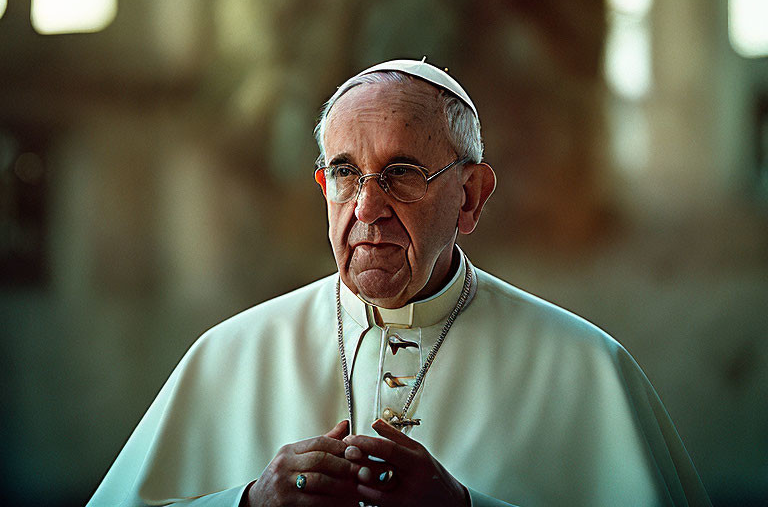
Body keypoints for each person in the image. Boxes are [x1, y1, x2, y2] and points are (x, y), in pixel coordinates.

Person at [87, 58, 711, 507]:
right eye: (344, 173)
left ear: (471, 196)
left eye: (402, 172)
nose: (366, 207)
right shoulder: (228, 355)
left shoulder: (585, 366)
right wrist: (248, 504)